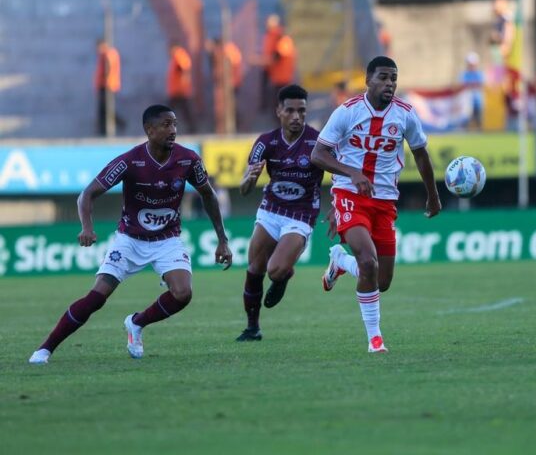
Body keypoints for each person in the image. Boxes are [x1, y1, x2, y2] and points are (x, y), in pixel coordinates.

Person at [28, 104, 233, 364]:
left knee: (183, 294)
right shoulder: (130, 161)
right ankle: (45, 349)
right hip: (130, 241)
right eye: (166, 125)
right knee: (96, 298)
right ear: (149, 130)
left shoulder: (188, 159)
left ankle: (136, 323)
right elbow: (87, 195)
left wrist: (222, 240)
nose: (173, 130)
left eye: (175, 124)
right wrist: (87, 227)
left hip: (167, 240)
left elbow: (208, 195)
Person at [310, 56, 442, 353]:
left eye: (393, 78)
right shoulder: (347, 112)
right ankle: (375, 339)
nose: (389, 84)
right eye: (383, 78)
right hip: (349, 195)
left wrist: (433, 195)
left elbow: (421, 154)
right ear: (368, 80)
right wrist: (352, 173)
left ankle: (341, 262)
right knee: (368, 262)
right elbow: (318, 154)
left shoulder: (405, 114)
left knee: (381, 281)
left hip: (384, 201)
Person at [235, 84, 324, 342]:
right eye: (290, 110)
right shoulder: (266, 142)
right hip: (271, 210)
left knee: (275, 270)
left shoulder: (317, 141)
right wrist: (249, 179)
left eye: (302, 111)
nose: (297, 116)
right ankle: (252, 328)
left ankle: (284, 275)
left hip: (302, 214)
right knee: (254, 268)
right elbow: (243, 189)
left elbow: (338, 172)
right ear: (279, 111)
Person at [94, 38, 122, 136]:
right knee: (105, 109)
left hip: (107, 85)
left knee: (105, 109)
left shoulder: (108, 54)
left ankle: (119, 124)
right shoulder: (109, 53)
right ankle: (104, 130)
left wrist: (105, 78)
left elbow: (108, 68)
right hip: (107, 85)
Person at [167, 44, 196, 133]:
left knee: (169, 111)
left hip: (179, 91)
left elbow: (184, 69)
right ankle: (192, 128)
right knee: (184, 111)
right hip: (177, 91)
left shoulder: (179, 55)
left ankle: (192, 128)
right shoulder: (177, 56)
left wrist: (183, 84)